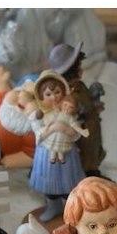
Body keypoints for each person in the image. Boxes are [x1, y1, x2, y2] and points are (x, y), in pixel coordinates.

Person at [27, 70, 85, 221]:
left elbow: (76, 132)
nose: (54, 97)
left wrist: (66, 129)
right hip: (47, 153)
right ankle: (54, 206)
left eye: (57, 92)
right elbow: (38, 132)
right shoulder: (39, 115)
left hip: (67, 152)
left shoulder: (70, 110)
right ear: (41, 96)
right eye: (48, 94)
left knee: (68, 184)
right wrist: (53, 128)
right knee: (49, 183)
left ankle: (70, 209)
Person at [48, 43, 104, 176]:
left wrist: (94, 101)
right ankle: (85, 173)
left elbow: (86, 101)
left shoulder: (79, 86)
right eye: (78, 65)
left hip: (91, 126)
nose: (81, 68)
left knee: (93, 150)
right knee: (85, 154)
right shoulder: (67, 92)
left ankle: (92, 170)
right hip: (81, 129)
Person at [37, 94, 89, 163]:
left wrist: (82, 131)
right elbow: (51, 120)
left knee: (60, 149)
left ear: (74, 109)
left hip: (63, 136)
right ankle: (52, 158)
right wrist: (47, 126)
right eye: (65, 105)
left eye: (70, 107)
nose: (67, 108)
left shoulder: (70, 118)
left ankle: (61, 158)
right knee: (53, 148)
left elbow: (75, 126)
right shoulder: (57, 113)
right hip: (54, 135)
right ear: (61, 104)